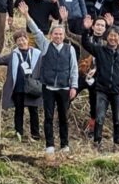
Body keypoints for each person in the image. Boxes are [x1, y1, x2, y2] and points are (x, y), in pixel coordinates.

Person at [25, 10, 79, 155]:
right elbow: (36, 32)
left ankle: (64, 144)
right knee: (48, 117)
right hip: (48, 87)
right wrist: (27, 16)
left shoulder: (70, 49)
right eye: (56, 34)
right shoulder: (45, 45)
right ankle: (49, 144)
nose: (58, 36)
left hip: (64, 87)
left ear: (64, 36)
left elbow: (74, 68)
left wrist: (74, 86)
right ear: (51, 35)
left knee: (63, 117)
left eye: (61, 34)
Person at [81, 20, 119, 152]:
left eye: (115, 36)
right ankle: (97, 142)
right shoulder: (100, 50)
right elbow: (85, 43)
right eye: (110, 35)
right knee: (100, 117)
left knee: (117, 119)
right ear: (106, 36)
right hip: (102, 89)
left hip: (117, 90)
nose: (113, 38)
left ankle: (117, 144)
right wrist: (86, 30)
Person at [0, 31, 42, 142]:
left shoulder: (37, 53)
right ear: (16, 42)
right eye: (18, 40)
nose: (21, 41)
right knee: (18, 112)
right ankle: (18, 134)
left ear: (27, 39)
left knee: (33, 112)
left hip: (33, 88)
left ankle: (35, 135)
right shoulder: (13, 55)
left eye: (23, 39)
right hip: (18, 88)